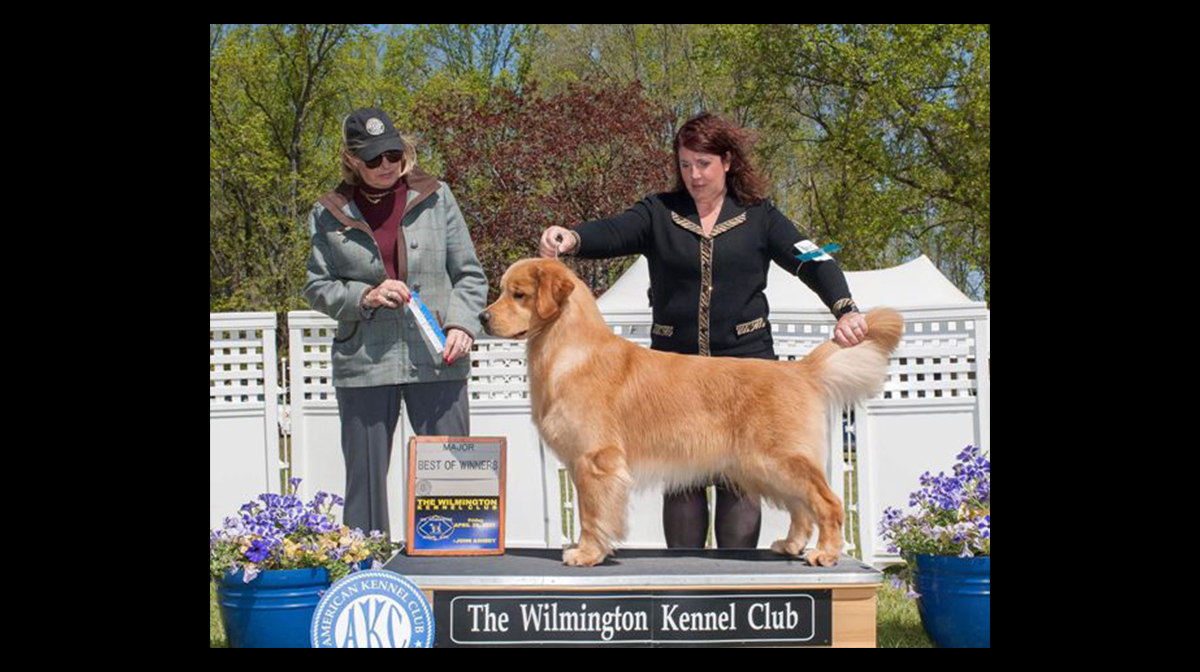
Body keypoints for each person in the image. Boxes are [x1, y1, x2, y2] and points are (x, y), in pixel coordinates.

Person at [539, 112, 869, 550]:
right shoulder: (659, 213)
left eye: (704, 164)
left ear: (727, 162)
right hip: (672, 378)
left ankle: (737, 590)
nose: (693, 175)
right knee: (682, 489)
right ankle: (687, 594)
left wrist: (844, 308)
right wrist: (572, 238)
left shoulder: (760, 216)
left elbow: (813, 259)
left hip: (745, 371)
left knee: (743, 489)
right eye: (685, 164)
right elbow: (614, 232)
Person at [305, 107, 487, 535]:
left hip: (438, 356)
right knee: (364, 488)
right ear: (351, 159)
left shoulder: (437, 195)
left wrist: (461, 325)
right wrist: (364, 296)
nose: (386, 165)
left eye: (392, 154)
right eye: (373, 159)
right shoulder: (327, 212)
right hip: (364, 363)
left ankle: (451, 583)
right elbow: (317, 286)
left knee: (453, 485)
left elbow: (469, 273)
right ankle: (365, 581)